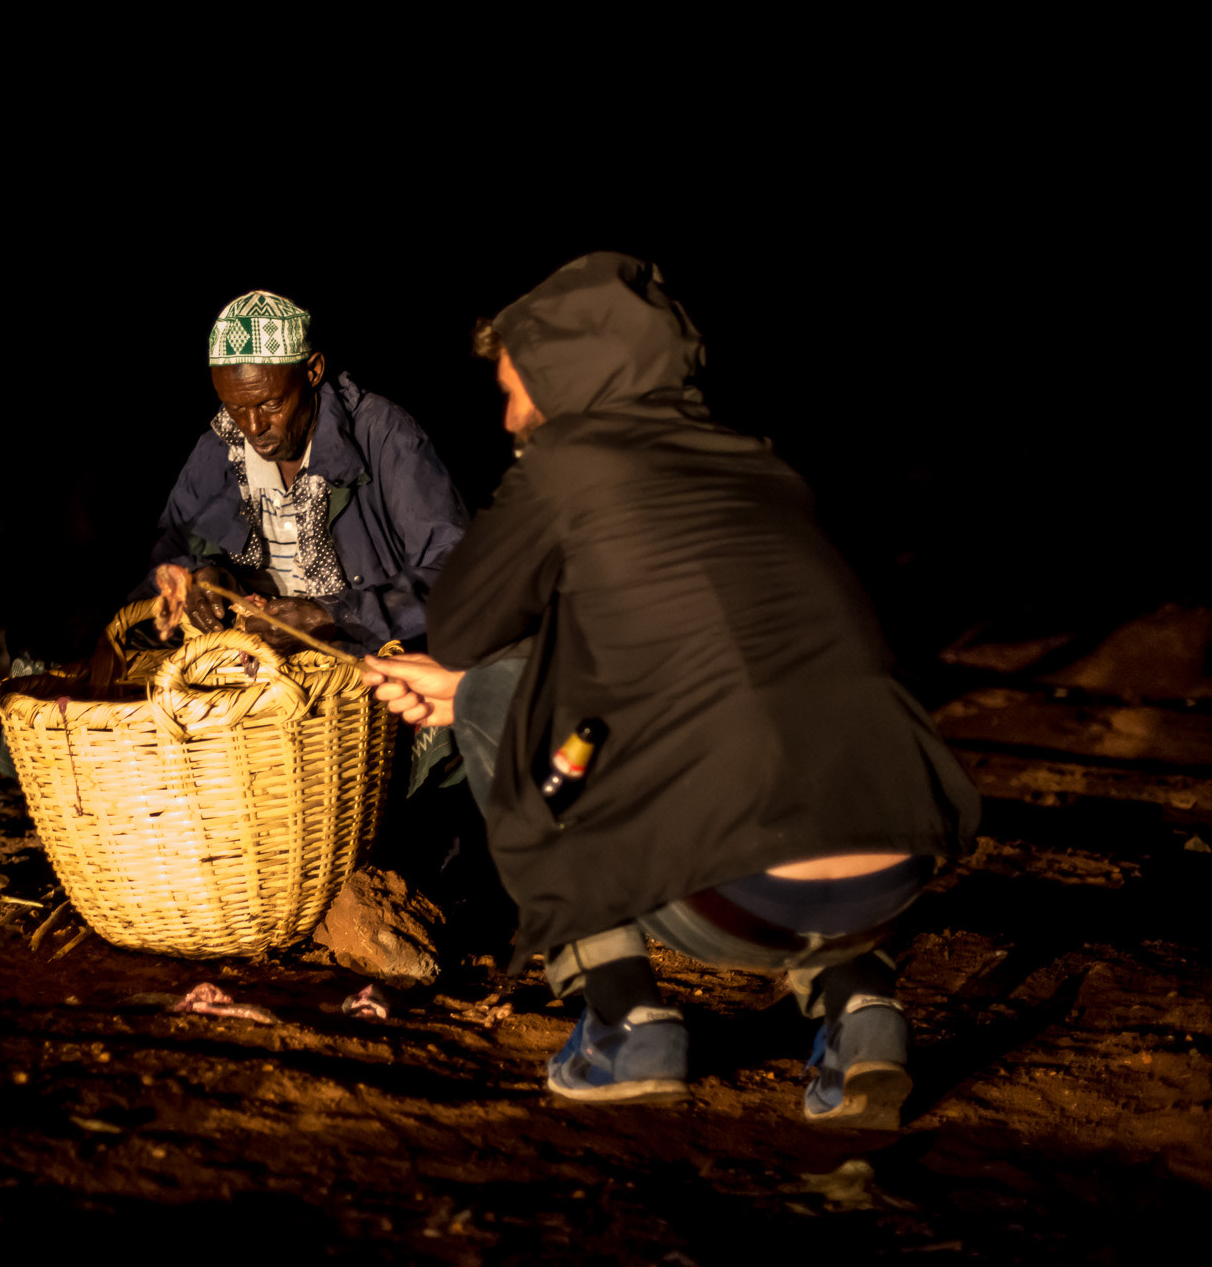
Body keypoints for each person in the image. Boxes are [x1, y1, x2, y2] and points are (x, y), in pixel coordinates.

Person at [361, 253, 979, 1129]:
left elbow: (465, 627)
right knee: (776, 735)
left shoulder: (570, 460)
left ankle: (622, 1018)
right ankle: (862, 1010)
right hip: (894, 866)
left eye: (514, 389)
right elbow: (683, 665)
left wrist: (471, 686)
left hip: (743, 897)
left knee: (498, 693)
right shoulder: (755, 462)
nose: (507, 417)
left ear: (562, 376)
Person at [138, 289, 469, 657]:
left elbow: (457, 572)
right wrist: (198, 579)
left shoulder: (382, 435)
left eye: (271, 403)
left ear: (312, 371)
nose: (253, 426)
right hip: (254, 677)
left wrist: (334, 615)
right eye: (235, 406)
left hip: (363, 679)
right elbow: (167, 555)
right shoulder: (221, 449)